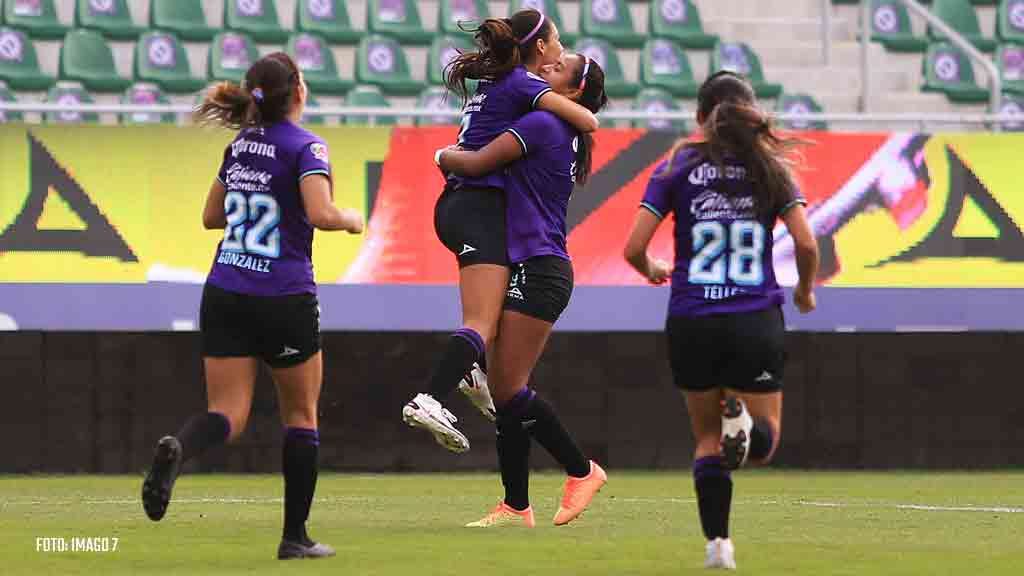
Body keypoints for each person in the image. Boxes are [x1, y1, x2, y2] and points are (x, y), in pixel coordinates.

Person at [140, 52, 363, 560]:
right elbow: (320, 213)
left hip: (225, 291)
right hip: (283, 296)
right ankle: (294, 537)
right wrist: (349, 218)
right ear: (298, 94)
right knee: (301, 415)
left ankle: (179, 448)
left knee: (226, 413)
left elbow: (211, 216)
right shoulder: (307, 147)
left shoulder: (239, 145)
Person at [622, 71, 819, 569]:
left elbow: (633, 249)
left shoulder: (676, 165)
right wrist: (804, 290)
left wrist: (653, 270)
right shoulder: (770, 168)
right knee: (761, 443)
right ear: (750, 113)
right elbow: (807, 243)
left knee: (707, 440)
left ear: (699, 118)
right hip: (754, 317)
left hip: (692, 318)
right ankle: (746, 424)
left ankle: (718, 548)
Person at [402, 9, 599, 453]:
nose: (560, 52)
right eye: (558, 44)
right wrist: (443, 155)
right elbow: (589, 121)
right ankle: (428, 398)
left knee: (486, 322)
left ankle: (471, 375)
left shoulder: (491, 84)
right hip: (478, 207)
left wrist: (447, 157)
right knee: (480, 320)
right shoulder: (526, 88)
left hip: (457, 207)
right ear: (542, 48)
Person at [436, 53, 609, 527]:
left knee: (508, 389)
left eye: (558, 69)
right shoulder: (555, 126)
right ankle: (516, 505)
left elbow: (475, 164)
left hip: (541, 267)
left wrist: (443, 155)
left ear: (571, 91)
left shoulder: (542, 125)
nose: (547, 68)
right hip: (530, 264)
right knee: (506, 388)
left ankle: (582, 470)